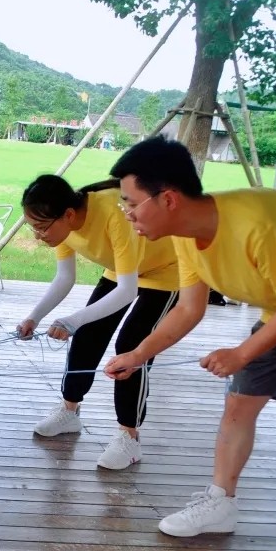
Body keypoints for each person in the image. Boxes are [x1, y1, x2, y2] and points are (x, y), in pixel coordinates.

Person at [103, 136, 276, 551]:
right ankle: (220, 504)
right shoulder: (186, 235)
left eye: (130, 203)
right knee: (237, 409)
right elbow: (188, 309)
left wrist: (242, 353)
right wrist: (138, 354)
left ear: (168, 198)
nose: (126, 214)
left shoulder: (257, 223)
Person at [17, 174, 179, 470]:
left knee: (132, 347)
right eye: (33, 227)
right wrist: (34, 317)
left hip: (166, 270)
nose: (38, 236)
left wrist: (72, 320)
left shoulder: (114, 213)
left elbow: (127, 292)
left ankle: (129, 436)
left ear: (68, 215)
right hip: (123, 269)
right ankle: (70, 412)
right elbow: (65, 277)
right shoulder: (63, 224)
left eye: (41, 227)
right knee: (88, 333)